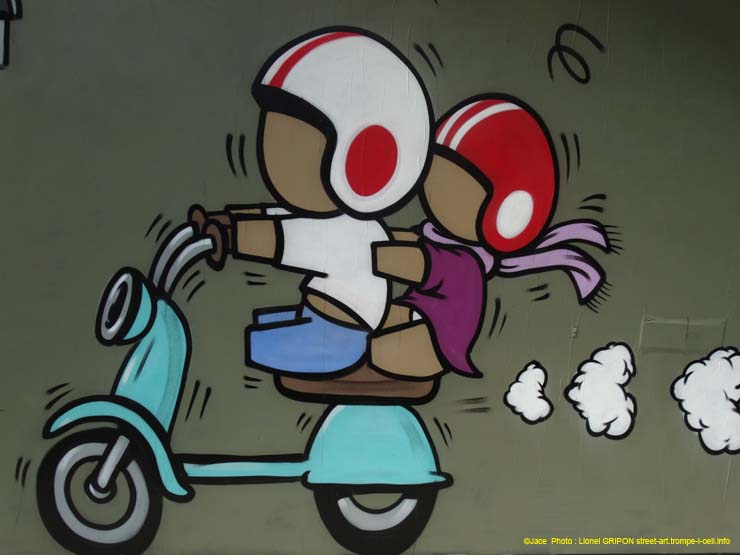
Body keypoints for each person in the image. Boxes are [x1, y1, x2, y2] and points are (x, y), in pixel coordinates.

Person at [192, 27, 433, 379]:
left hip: (338, 338)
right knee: (264, 323)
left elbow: (277, 238)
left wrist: (229, 238)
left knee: (242, 345)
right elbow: (276, 216)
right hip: (322, 320)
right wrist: (225, 219)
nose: (274, 161)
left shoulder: (342, 234)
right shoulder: (335, 220)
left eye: (293, 147)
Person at [370, 94, 619, 379]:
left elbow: (408, 262)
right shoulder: (435, 234)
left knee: (377, 350)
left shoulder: (463, 262)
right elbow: (408, 240)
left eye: (453, 186)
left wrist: (360, 251)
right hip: (415, 309)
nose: (432, 190)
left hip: (435, 338)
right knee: (368, 316)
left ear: (499, 211)